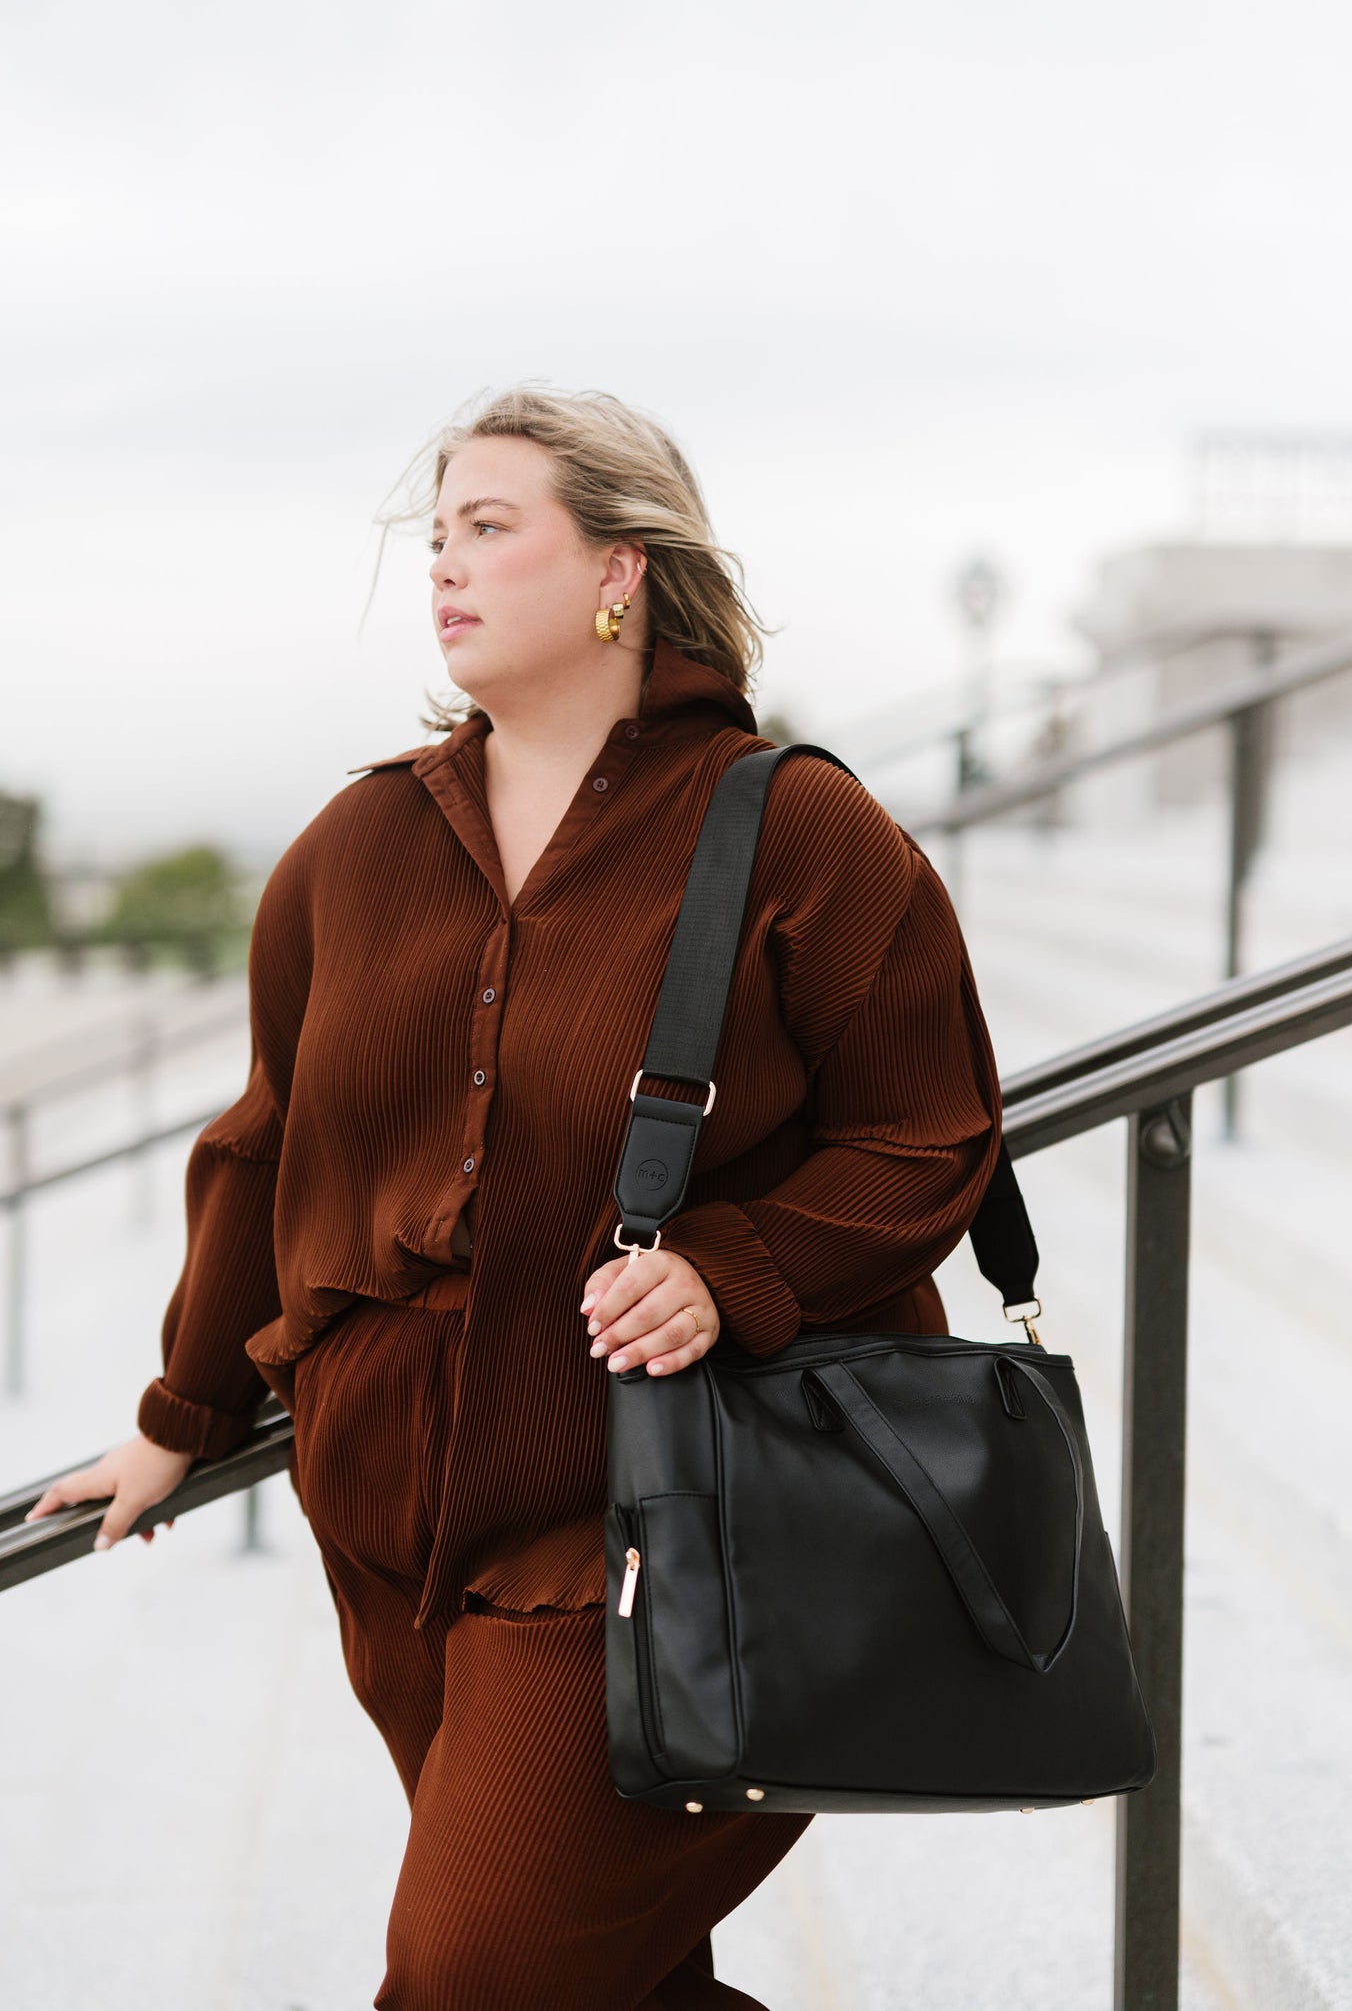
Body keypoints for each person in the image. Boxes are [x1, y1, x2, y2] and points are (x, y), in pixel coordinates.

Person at [25, 385, 1004, 2010]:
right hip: (385, 1509)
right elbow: (267, 1142)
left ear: (622, 570)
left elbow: (930, 1132)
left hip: (661, 1507)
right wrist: (181, 1411)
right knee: (601, 1979)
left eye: (491, 527)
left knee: (473, 1971)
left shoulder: (795, 829)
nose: (444, 566)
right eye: (437, 535)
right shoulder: (355, 846)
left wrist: (730, 1264)